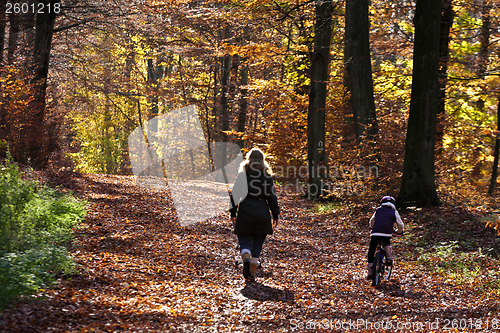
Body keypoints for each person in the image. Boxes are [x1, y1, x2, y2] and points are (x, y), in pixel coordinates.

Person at [229, 147, 280, 281]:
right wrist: (275, 214)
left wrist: (233, 212)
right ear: (263, 160)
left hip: (245, 210)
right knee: (258, 241)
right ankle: (251, 272)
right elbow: (272, 197)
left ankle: (245, 256)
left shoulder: (243, 175)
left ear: (248, 159)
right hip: (262, 212)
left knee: (244, 239)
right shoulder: (267, 176)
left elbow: (235, 195)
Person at [367, 196, 404, 279]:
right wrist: (398, 231)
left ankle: (370, 270)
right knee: (387, 242)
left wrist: (371, 227)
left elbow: (372, 220)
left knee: (372, 249)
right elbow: (400, 224)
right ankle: (389, 258)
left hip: (375, 233)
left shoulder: (378, 210)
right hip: (386, 233)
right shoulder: (394, 211)